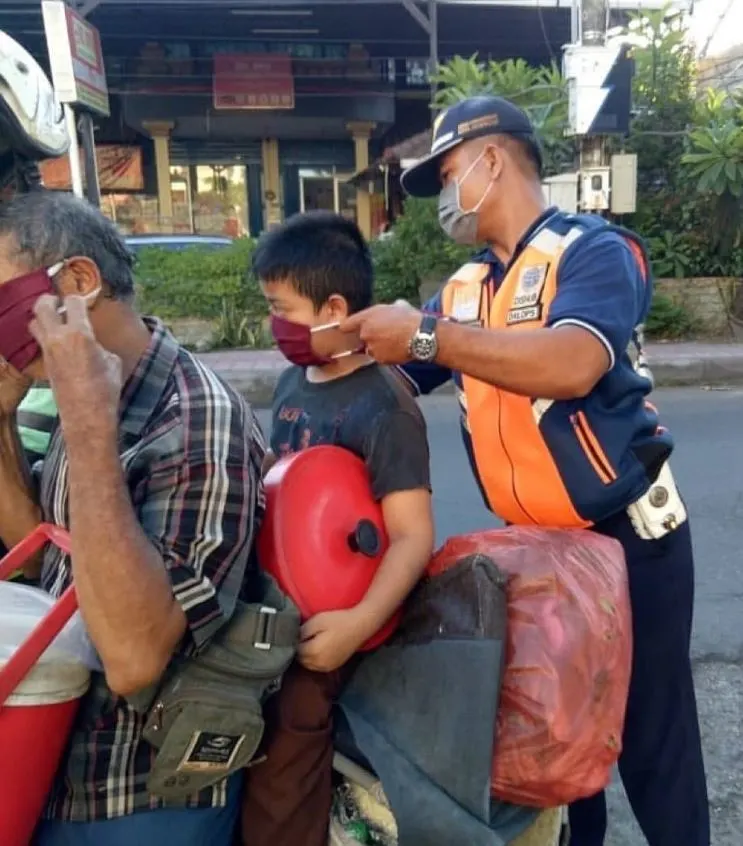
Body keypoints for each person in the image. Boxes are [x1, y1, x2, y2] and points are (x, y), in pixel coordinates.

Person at [339, 96, 710, 846]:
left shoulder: (594, 251)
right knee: (556, 734)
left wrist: (424, 336)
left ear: (492, 160)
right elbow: (397, 386)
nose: (444, 198)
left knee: (648, 737)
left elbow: (572, 362)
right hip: (536, 551)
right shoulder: (466, 289)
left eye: (446, 175)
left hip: (627, 537)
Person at [0, 190, 266, 845]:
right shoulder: (72, 386)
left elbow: (134, 659)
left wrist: (90, 424)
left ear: (79, 282)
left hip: (138, 794)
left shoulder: (198, 420)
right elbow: (40, 554)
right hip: (50, 760)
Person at [240, 211, 435, 846]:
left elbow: (412, 536)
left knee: (291, 732)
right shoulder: (295, 379)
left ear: (334, 307)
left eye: (282, 308)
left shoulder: (385, 406)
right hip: (278, 596)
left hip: (352, 614)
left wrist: (355, 627)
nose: (274, 325)